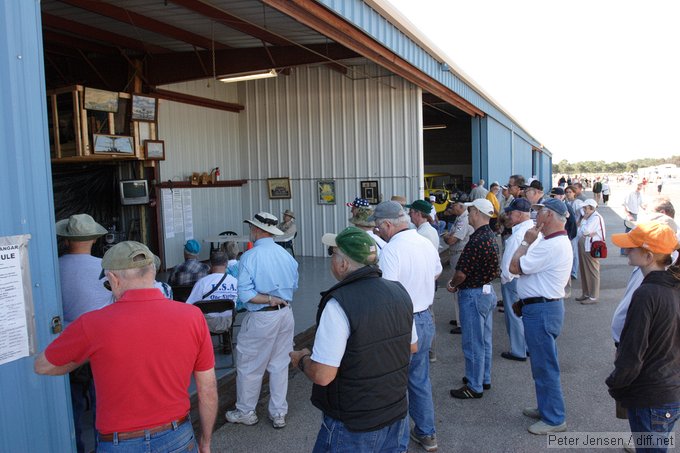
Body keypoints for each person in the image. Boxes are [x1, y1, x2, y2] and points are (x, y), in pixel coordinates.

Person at [34, 241, 218, 453]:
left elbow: (42, 366)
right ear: (152, 272)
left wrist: (89, 354)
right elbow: (208, 390)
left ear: (113, 279)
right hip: (177, 435)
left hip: (119, 443)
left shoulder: (92, 324)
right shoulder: (193, 317)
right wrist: (205, 441)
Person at [290, 227, 416, 452]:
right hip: (396, 413)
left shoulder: (338, 303)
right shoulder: (399, 292)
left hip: (354, 424)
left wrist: (302, 359)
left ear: (343, 264)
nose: (331, 260)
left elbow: (323, 375)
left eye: (332, 253)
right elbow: (412, 346)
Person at [370, 201, 442, 453]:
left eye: (379, 228)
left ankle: (397, 443)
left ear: (388, 224)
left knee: (396, 384)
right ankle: (427, 433)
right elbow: (436, 272)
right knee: (419, 380)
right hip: (424, 317)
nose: (378, 232)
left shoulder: (392, 250)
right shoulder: (424, 241)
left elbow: (386, 293)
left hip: (401, 321)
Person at [607, 222, 680, 449]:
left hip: (650, 394)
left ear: (649, 256)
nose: (627, 250)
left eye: (632, 247)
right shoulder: (672, 286)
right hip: (670, 389)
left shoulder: (647, 293)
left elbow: (632, 351)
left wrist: (616, 383)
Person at [226, 212, 299, 429]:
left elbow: (246, 295)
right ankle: (278, 413)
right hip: (286, 313)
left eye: (251, 227)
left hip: (262, 315)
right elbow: (294, 286)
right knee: (279, 364)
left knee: (250, 365)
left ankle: (246, 411)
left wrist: (268, 297)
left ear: (257, 230)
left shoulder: (250, 256)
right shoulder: (286, 255)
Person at [509, 198, 572, 435]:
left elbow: (515, 267)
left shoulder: (550, 244)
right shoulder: (551, 241)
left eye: (539, 212)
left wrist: (525, 243)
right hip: (542, 307)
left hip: (543, 310)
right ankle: (547, 408)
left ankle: (554, 418)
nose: (535, 217)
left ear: (549, 216)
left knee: (545, 366)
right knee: (542, 363)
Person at [55, 213, 111, 453]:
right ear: (94, 239)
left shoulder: (53, 267)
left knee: (73, 403)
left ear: (66, 240)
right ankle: (103, 446)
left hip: (68, 343)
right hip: (101, 343)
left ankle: (76, 447)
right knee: (104, 402)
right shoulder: (106, 268)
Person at [447, 198, 500, 399]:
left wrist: (452, 284)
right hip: (486, 291)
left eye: (470, 211)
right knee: (484, 340)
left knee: (472, 342)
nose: (468, 214)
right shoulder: (489, 235)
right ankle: (482, 378)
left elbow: (461, 273)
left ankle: (474, 384)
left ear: (477, 213)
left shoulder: (477, 240)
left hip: (473, 294)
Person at [499, 199, 533, 362]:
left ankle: (518, 350)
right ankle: (526, 347)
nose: (509, 216)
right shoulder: (532, 229)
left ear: (519, 214)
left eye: (511, 213)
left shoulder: (518, 234)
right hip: (526, 278)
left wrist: (505, 279)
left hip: (514, 279)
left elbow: (508, 264)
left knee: (513, 315)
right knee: (524, 314)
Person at [186, 251, 237, 335]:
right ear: (226, 264)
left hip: (206, 323)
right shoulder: (235, 281)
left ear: (210, 264)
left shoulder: (202, 282)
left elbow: (189, 305)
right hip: (228, 321)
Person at [442, 201, 474, 334]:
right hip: (456, 254)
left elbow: (451, 240)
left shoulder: (463, 220)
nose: (452, 207)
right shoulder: (459, 219)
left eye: (454, 205)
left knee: (458, 286)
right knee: (457, 289)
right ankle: (460, 318)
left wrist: (446, 237)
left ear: (462, 206)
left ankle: (462, 322)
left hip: (459, 254)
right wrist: (447, 236)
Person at [575, 199, 606, 304]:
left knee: (592, 271)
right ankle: (586, 293)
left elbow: (584, 231)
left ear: (591, 208)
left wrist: (583, 223)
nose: (584, 210)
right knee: (584, 270)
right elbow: (580, 233)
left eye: (586, 208)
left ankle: (593, 296)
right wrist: (585, 231)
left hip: (591, 246)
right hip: (586, 244)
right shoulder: (590, 217)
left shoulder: (595, 218)